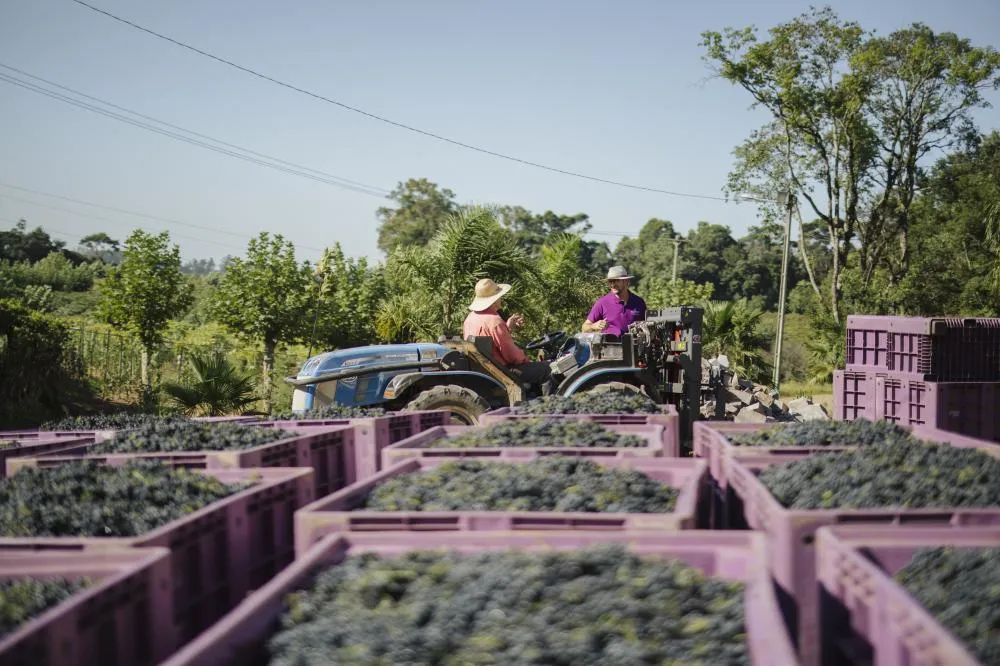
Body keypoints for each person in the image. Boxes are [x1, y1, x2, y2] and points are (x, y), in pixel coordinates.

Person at [463, 277, 553, 389]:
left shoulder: (470, 319)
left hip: (486, 369)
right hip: (503, 371)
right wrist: (525, 359)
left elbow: (490, 339)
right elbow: (511, 355)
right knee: (549, 368)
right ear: (494, 299)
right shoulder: (495, 321)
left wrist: (507, 327)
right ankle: (548, 403)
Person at [582, 265, 647, 337]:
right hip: (610, 347)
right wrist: (593, 326)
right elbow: (584, 328)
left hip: (634, 347)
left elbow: (647, 327)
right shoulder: (602, 303)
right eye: (610, 281)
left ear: (626, 281)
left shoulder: (639, 302)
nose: (612, 285)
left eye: (616, 280)